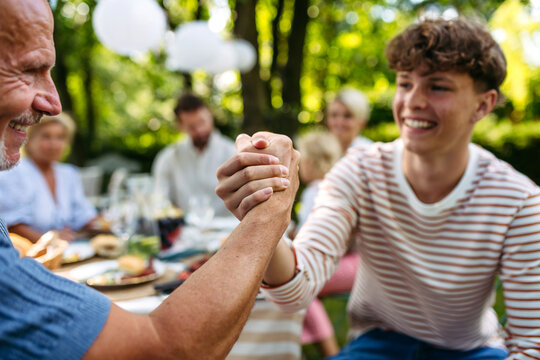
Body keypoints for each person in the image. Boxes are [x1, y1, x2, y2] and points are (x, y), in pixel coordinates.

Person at [215, 18, 540, 358]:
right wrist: (263, 215)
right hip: (379, 346)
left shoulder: (519, 201)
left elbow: (531, 345)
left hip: (470, 351)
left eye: (437, 87)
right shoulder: (358, 172)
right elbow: (295, 290)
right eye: (405, 83)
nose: (412, 101)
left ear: (483, 104)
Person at [0, 1, 299, 358]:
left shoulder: (232, 149)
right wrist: (272, 209)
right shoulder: (168, 158)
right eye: (30, 68)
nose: (54, 104)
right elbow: (162, 349)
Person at [295, 130, 355, 357]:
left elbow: (312, 239)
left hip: (347, 265)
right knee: (303, 284)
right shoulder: (335, 185)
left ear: (309, 162)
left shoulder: (315, 192)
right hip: (357, 263)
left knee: (301, 284)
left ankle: (331, 352)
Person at [0, 113, 99, 242]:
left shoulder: (69, 173)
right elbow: (12, 225)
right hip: (28, 255)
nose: (54, 144)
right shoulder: (13, 172)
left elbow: (83, 215)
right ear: (28, 140)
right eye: (46, 137)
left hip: (69, 252)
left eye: (60, 138)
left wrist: (107, 224)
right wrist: (51, 241)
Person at [152, 93, 236, 217]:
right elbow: (160, 201)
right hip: (184, 232)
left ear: (210, 115)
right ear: (180, 126)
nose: (199, 130)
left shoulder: (232, 153)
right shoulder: (168, 158)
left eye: (202, 122)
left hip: (229, 232)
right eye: (192, 127)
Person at [326, 88, 372, 153]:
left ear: (362, 121)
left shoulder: (369, 152)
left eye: (347, 116)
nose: (339, 122)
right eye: (334, 115)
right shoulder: (320, 150)